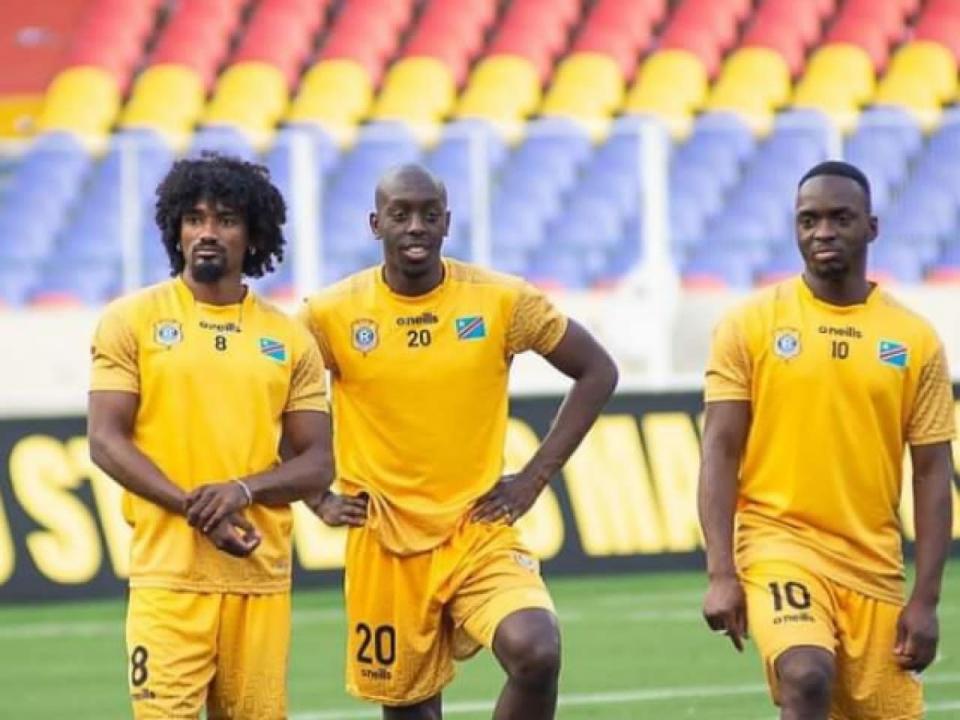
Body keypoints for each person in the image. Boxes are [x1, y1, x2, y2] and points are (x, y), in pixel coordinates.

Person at [298, 164, 618, 719]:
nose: (416, 226)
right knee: (411, 710)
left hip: (477, 530)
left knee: (537, 651)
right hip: (384, 542)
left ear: (447, 222)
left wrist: (534, 476)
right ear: (376, 224)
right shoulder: (329, 315)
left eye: (429, 214)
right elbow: (271, 396)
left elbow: (597, 370)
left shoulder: (500, 301)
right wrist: (316, 496)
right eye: (401, 214)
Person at [698, 160, 955, 720]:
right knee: (806, 675)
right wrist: (721, 571)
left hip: (873, 568)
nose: (823, 232)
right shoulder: (749, 324)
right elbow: (719, 449)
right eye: (808, 220)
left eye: (840, 218)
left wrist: (927, 599)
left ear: (872, 227)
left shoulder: (914, 340)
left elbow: (934, 473)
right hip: (777, 545)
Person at [88, 153, 334, 719]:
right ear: (175, 228)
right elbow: (106, 440)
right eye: (194, 218)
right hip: (168, 579)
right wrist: (198, 508)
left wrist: (241, 492)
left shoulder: (289, 339)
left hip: (259, 577)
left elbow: (318, 463)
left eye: (225, 219)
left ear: (252, 237)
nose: (206, 232)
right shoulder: (131, 321)